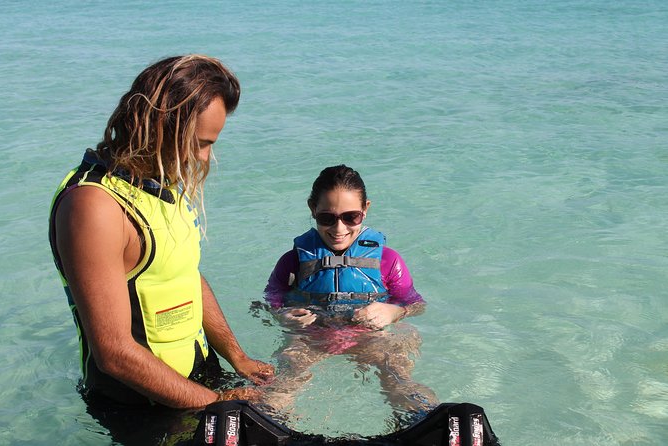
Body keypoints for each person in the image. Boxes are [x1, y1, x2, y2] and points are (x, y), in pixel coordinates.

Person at [48, 55, 275, 412]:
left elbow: (182, 274)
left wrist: (237, 357)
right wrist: (219, 406)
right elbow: (114, 353)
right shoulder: (94, 206)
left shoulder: (159, 186)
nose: (204, 158)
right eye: (199, 142)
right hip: (144, 405)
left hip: (200, 381)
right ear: (160, 126)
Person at [262, 165, 438, 420]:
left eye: (350, 217)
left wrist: (394, 312)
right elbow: (272, 299)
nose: (339, 228)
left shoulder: (388, 260)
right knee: (288, 377)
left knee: (396, 376)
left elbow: (416, 304)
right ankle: (266, 424)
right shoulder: (293, 261)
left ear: (365, 210)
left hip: (369, 335)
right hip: (313, 335)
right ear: (312, 209)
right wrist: (282, 316)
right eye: (327, 218)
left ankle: (428, 421)